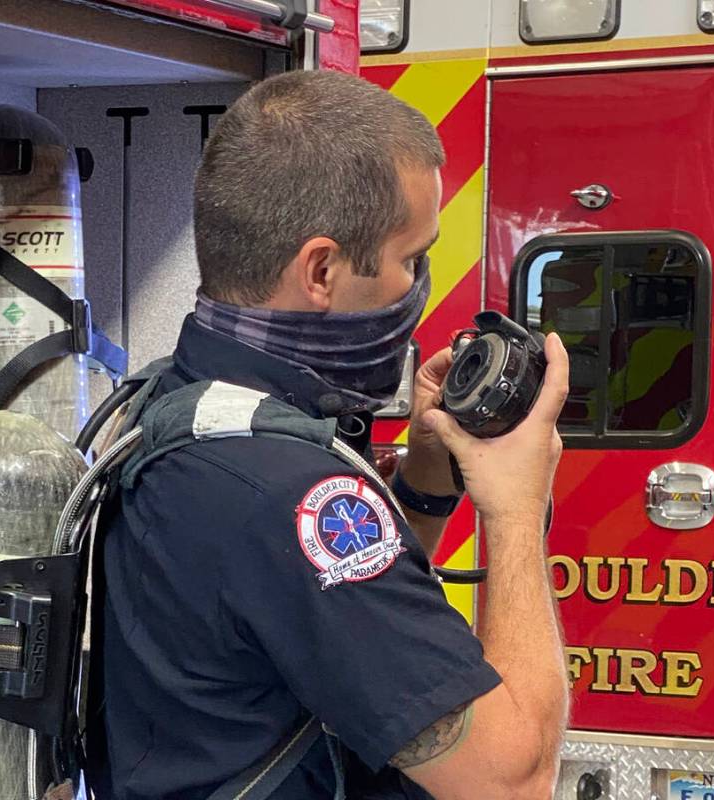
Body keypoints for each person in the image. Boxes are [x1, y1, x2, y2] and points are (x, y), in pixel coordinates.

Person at [86, 69, 570, 799]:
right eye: (411, 259)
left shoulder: (175, 404)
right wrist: (516, 508)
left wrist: (428, 479)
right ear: (321, 269)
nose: (418, 288)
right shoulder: (287, 489)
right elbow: (513, 779)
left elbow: (315, 621)